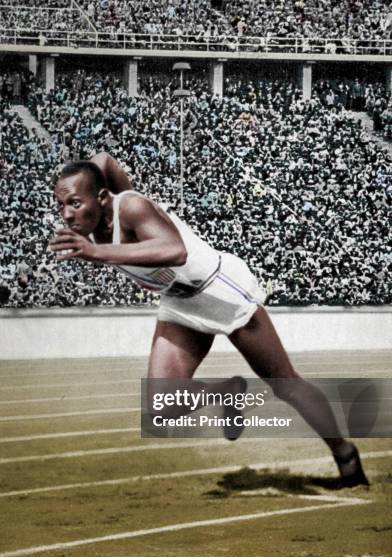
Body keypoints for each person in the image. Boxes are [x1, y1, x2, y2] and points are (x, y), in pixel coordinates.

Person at [49, 152, 369, 488]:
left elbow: (176, 251)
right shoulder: (96, 219)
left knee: (284, 383)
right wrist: (86, 179)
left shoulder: (131, 208)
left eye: (74, 203)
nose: (68, 215)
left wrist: (98, 251)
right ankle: (226, 392)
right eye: (62, 206)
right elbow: (103, 161)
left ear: (101, 197)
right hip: (179, 301)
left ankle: (345, 454)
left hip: (218, 289)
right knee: (161, 407)